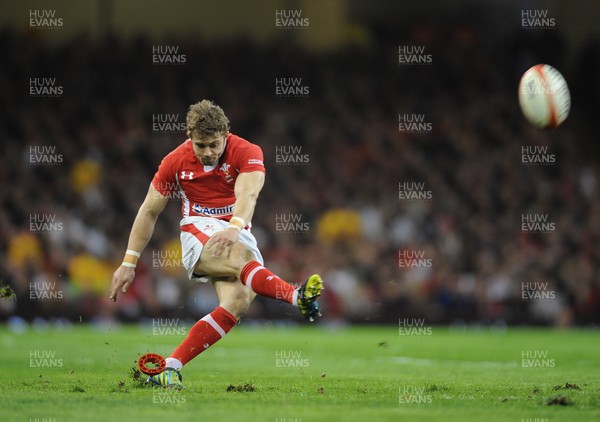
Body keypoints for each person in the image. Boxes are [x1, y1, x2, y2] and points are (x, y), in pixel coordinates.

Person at [108, 100, 323, 389]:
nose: (208, 152)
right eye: (201, 145)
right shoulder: (174, 162)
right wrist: (128, 263)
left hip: (236, 227)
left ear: (226, 134)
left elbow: (248, 194)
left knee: (237, 302)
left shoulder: (247, 152)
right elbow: (148, 211)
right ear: (189, 138)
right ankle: (296, 296)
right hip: (198, 230)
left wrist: (235, 227)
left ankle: (170, 367)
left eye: (214, 144)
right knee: (239, 257)